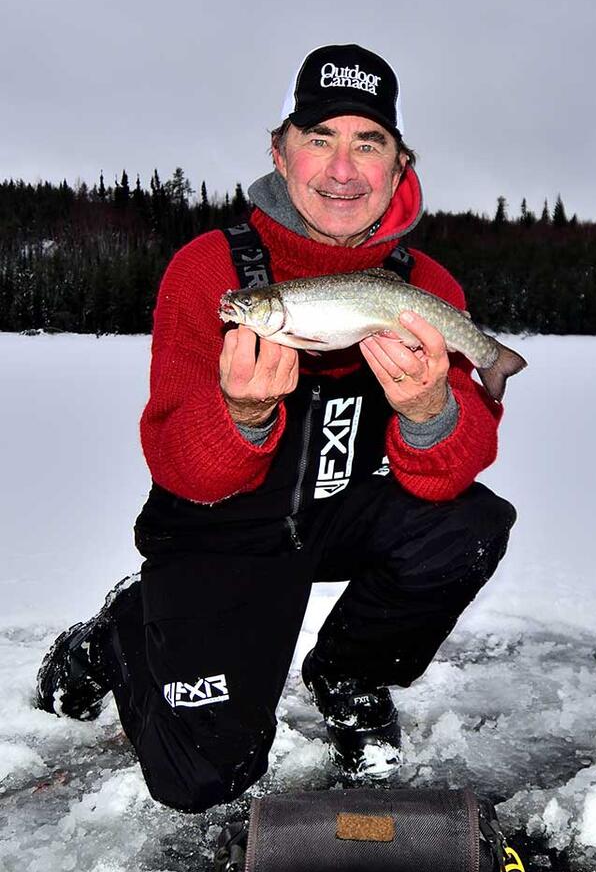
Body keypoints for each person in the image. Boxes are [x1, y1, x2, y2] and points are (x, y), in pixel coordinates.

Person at [36, 43, 517, 813]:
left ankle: (351, 675)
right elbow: (179, 467)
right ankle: (122, 632)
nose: (342, 169)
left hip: (338, 514)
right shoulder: (209, 270)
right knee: (204, 777)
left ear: (399, 168)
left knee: (470, 524)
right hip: (226, 528)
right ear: (280, 151)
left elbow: (455, 467)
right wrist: (244, 413)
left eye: (369, 144)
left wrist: (431, 416)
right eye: (319, 139)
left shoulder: (426, 288)